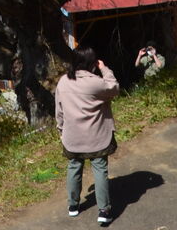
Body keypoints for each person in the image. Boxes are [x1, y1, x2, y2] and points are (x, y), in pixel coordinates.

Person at [55, 46, 120, 226]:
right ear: (92, 63)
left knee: (74, 167)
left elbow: (59, 111)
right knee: (99, 169)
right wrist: (104, 68)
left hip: (73, 137)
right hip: (97, 136)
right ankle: (104, 210)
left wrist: (61, 130)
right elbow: (114, 88)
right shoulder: (95, 82)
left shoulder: (63, 82)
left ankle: (73, 206)